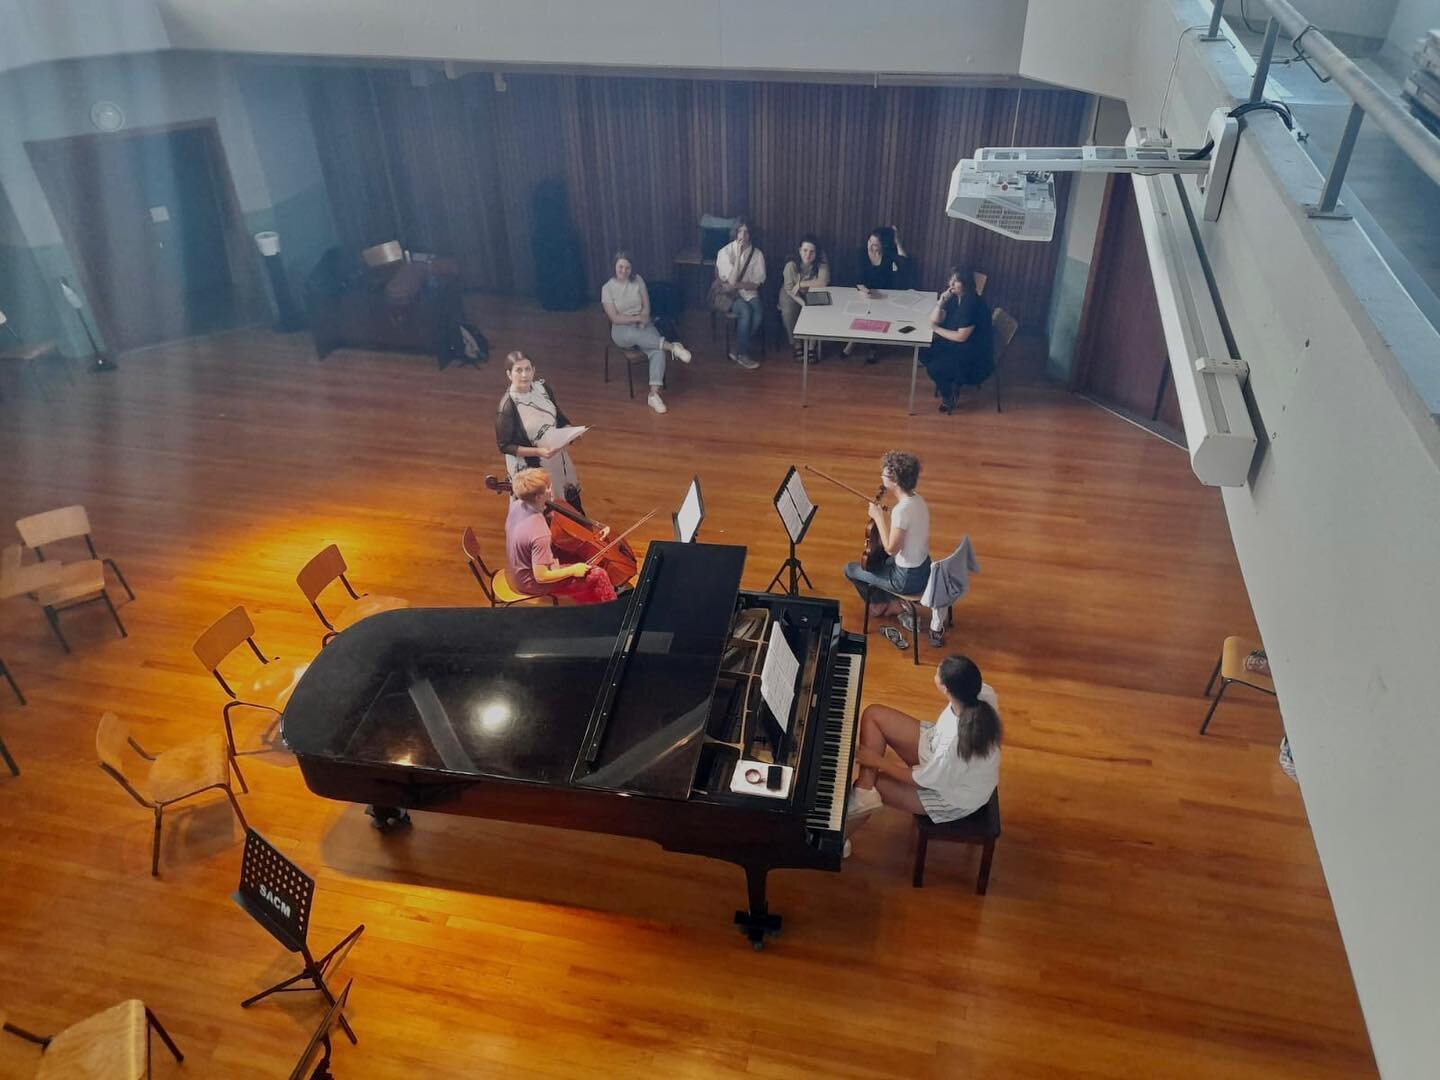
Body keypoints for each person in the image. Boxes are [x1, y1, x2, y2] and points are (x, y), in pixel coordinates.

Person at [845, 655, 1001, 849]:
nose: (935, 672)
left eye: (937, 672)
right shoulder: (983, 692)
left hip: (952, 794)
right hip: (937, 752)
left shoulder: (952, 746)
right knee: (873, 715)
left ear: (945, 688)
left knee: (877, 782)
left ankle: (837, 840)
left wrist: (878, 761)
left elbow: (923, 779)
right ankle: (863, 792)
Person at [505, 468, 617, 605]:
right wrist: (573, 570)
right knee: (599, 574)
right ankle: (610, 608)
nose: (551, 489)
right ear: (538, 497)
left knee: (577, 556)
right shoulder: (540, 533)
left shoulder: (516, 505)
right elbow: (541, 576)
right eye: (548, 487)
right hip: (530, 583)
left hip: (518, 567)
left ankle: (586, 599)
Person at [843, 450, 930, 625]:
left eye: (884, 474)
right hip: (924, 568)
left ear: (895, 481)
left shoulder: (901, 511)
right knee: (880, 563)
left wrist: (878, 517)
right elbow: (906, 528)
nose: (882, 476)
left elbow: (891, 549)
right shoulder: (917, 500)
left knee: (851, 569)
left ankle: (881, 605)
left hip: (906, 580)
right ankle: (891, 602)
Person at [601, 251, 693, 414]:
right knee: (632, 334)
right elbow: (615, 318)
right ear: (614, 267)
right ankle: (673, 347)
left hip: (642, 323)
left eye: (627, 268)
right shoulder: (607, 288)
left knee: (657, 351)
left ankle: (653, 395)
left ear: (632, 269)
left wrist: (643, 318)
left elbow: (646, 306)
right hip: (621, 330)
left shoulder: (638, 280)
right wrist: (636, 319)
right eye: (620, 267)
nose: (624, 271)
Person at [495, 350, 586, 513]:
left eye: (527, 369)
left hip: (556, 458)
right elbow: (505, 446)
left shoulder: (543, 389)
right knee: (546, 511)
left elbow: (557, 415)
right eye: (518, 370)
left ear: (534, 370)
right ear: (509, 374)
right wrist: (538, 451)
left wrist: (568, 430)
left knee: (570, 505)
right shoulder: (507, 406)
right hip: (533, 467)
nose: (524, 375)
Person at [923, 266, 993, 413]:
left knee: (934, 368)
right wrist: (941, 302)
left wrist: (936, 330)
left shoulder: (971, 304)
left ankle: (948, 396)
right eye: (951, 279)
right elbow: (935, 319)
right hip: (958, 345)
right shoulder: (955, 298)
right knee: (923, 350)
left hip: (974, 356)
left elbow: (961, 337)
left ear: (966, 284)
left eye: (957, 281)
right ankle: (948, 380)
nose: (951, 284)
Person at [849, 226, 913, 363]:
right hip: (864, 291)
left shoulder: (889, 254)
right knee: (861, 312)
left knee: (878, 315)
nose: (871, 247)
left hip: (885, 294)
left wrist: (898, 242)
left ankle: (873, 347)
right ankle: (852, 340)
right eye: (869, 242)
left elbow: (905, 265)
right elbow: (857, 278)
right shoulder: (861, 253)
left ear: (883, 245)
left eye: (875, 245)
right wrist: (867, 292)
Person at [713, 217, 767, 370]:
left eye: (746, 232)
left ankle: (737, 346)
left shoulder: (757, 254)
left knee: (758, 314)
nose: (743, 236)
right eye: (740, 231)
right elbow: (729, 282)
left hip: (749, 293)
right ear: (735, 233)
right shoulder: (724, 252)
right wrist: (738, 256)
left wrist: (737, 285)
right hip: (730, 296)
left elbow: (756, 283)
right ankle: (743, 354)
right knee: (745, 311)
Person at [778, 235, 830, 360]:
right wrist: (803, 303)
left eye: (812, 252)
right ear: (800, 250)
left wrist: (801, 284)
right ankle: (796, 345)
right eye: (805, 250)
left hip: (811, 291)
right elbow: (790, 289)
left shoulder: (821, 261)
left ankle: (812, 347)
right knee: (788, 312)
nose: (808, 255)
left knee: (818, 310)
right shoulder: (791, 264)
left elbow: (823, 282)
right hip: (790, 292)